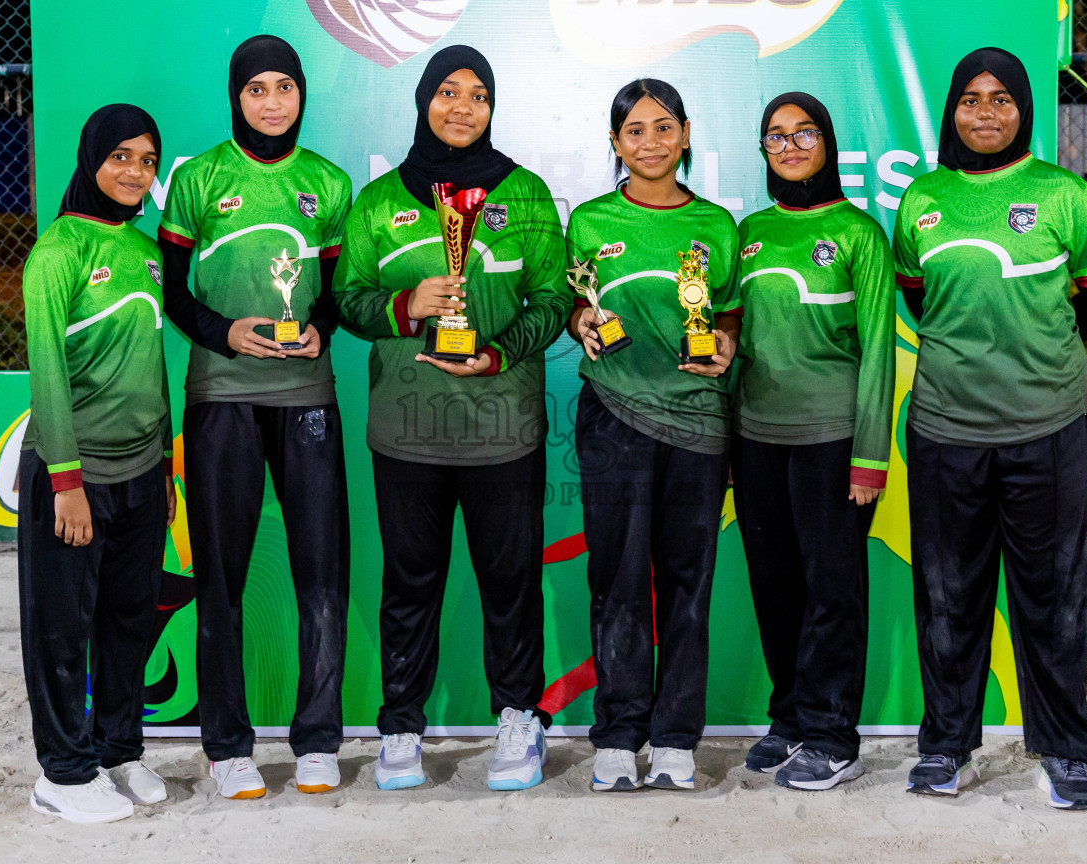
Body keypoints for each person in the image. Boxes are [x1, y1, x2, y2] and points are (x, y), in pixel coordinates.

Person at [334, 45, 570, 791]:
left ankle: (518, 718)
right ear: (423, 100)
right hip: (407, 433)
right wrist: (406, 307)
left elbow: (556, 302)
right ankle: (401, 726)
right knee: (408, 583)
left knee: (510, 582)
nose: (462, 107)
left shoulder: (525, 196)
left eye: (477, 95)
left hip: (503, 431)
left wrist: (500, 355)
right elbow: (346, 300)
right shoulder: (377, 202)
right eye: (447, 92)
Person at [892, 48, 1087, 810]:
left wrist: (1031, 353)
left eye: (1001, 99)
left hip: (1047, 425)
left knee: (1053, 594)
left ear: (1023, 108)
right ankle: (947, 748)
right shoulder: (921, 200)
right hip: (946, 428)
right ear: (951, 110)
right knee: (948, 593)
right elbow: (920, 297)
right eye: (970, 99)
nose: (985, 113)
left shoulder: (1061, 195)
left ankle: (1064, 752)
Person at [158, 35, 352, 799]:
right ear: (236, 97)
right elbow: (174, 292)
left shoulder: (328, 184)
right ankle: (227, 744)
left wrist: (321, 329)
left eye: (285, 87)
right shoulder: (198, 179)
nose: (272, 102)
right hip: (221, 400)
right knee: (221, 579)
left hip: (307, 399)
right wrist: (223, 333)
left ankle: (318, 739)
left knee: (322, 575)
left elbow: (334, 293)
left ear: (302, 95)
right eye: (257, 90)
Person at [565, 78, 741, 793]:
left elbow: (725, 315)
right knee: (616, 581)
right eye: (634, 131)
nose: (650, 143)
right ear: (614, 144)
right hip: (613, 416)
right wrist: (579, 320)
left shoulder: (719, 228)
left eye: (663, 128)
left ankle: (674, 740)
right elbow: (575, 303)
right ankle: (617, 735)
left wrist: (724, 342)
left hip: (697, 422)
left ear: (687, 134)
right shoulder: (588, 221)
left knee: (688, 582)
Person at [732, 91, 894, 790]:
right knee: (774, 586)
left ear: (828, 144)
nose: (790, 145)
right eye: (776, 135)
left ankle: (833, 735)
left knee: (834, 590)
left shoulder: (860, 234)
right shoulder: (749, 232)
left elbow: (881, 350)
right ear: (762, 149)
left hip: (833, 441)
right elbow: (731, 335)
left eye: (804, 133)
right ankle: (791, 718)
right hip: (755, 438)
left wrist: (869, 457)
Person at [19, 104, 175, 824]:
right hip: (74, 476)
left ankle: (119, 751)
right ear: (90, 161)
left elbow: (154, 367)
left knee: (128, 620)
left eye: (146, 160)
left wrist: (166, 472)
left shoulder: (146, 250)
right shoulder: (58, 253)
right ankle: (63, 773)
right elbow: (47, 374)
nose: (134, 171)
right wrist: (67, 483)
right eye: (121, 157)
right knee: (61, 626)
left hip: (144, 474)